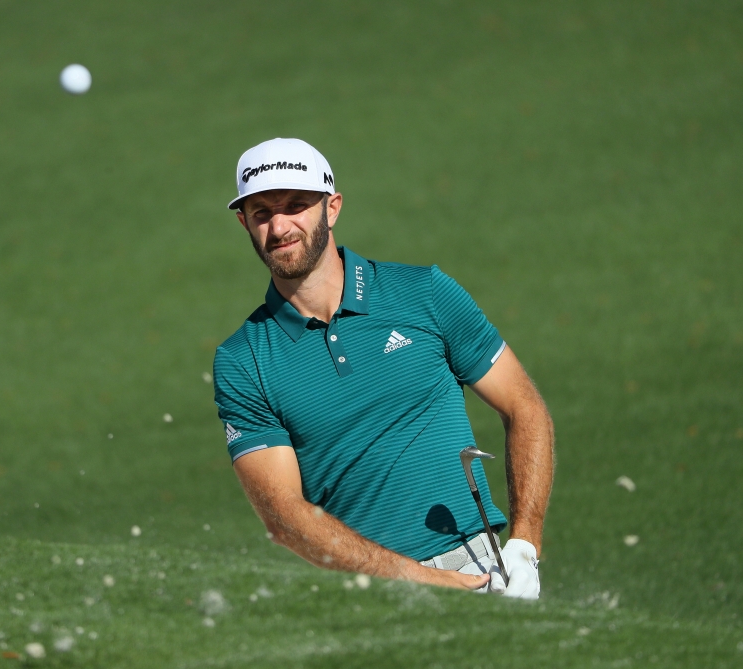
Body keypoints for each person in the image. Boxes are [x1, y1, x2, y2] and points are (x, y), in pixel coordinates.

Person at [212, 138, 554, 598]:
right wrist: (428, 582)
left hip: (479, 561)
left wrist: (524, 545)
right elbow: (284, 517)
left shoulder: (424, 293)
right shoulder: (242, 360)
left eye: (296, 205)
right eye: (262, 213)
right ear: (244, 223)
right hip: (368, 592)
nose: (279, 226)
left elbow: (523, 405)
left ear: (331, 208)